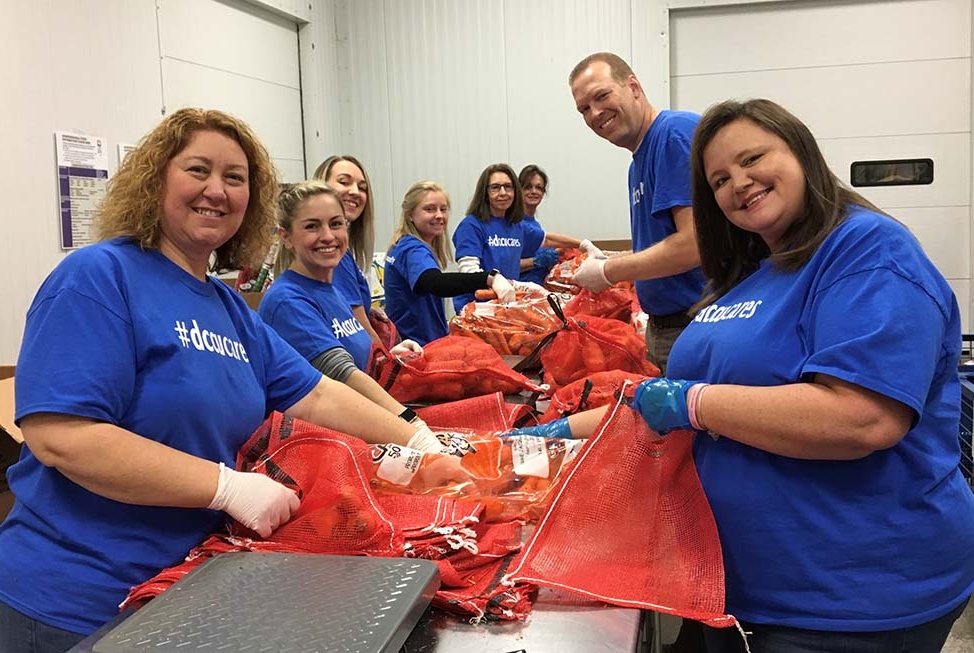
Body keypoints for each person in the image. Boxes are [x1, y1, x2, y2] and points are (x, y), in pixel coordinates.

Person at [0, 108, 454, 651]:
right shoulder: (97, 277)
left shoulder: (226, 306)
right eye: (197, 170)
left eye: (234, 178)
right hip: (74, 603)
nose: (216, 189)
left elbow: (316, 391)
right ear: (155, 179)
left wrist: (421, 442)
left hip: (180, 591)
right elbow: (64, 437)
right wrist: (226, 487)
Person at [632, 98, 974, 652]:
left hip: (849, 601)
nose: (738, 184)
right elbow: (672, 396)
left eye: (752, 158)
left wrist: (693, 404)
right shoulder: (751, 274)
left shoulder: (865, 248)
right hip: (735, 592)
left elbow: (860, 419)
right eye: (718, 179)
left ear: (802, 152)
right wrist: (537, 439)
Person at [568, 52, 705, 374]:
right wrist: (611, 259)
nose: (595, 113)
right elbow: (665, 242)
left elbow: (694, 244)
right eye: (584, 109)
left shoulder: (673, 135)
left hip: (696, 325)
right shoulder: (638, 162)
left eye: (601, 96)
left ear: (633, 86)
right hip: (669, 327)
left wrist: (611, 271)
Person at [258, 179, 429, 428]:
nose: (328, 236)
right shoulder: (287, 300)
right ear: (286, 237)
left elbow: (352, 356)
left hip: (362, 424)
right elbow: (341, 373)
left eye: (336, 224)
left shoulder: (332, 291)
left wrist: (389, 357)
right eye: (312, 226)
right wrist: (409, 423)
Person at [385, 181, 516, 345]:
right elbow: (435, 282)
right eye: (429, 209)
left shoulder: (403, 245)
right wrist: (489, 278)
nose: (439, 215)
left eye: (443, 209)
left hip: (423, 338)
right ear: (410, 214)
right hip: (417, 346)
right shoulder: (412, 249)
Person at [451, 163, 543, 314]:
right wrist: (495, 280)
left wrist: (583, 245)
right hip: (478, 310)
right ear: (485, 192)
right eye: (495, 187)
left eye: (508, 187)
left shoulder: (516, 225)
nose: (503, 193)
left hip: (508, 306)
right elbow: (468, 269)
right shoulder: (471, 225)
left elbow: (547, 238)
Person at [313, 155, 385, 344]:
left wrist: (364, 305)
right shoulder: (334, 255)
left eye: (362, 188)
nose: (355, 192)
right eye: (344, 182)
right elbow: (363, 334)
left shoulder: (344, 254)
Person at [516, 164, 584, 285]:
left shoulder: (535, 224)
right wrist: (536, 261)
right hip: (521, 290)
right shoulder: (514, 224)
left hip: (542, 287)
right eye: (528, 187)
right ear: (518, 190)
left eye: (539, 187)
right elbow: (503, 266)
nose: (533, 191)